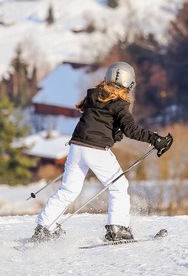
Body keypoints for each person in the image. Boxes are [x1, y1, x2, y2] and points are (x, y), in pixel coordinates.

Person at [31, 61, 172, 242]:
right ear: (129, 84)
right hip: (95, 149)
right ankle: (117, 228)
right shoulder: (119, 103)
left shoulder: (94, 96)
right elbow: (131, 130)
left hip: (76, 147)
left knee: (68, 190)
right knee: (119, 187)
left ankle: (44, 228)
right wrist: (155, 139)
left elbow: (97, 125)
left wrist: (113, 135)